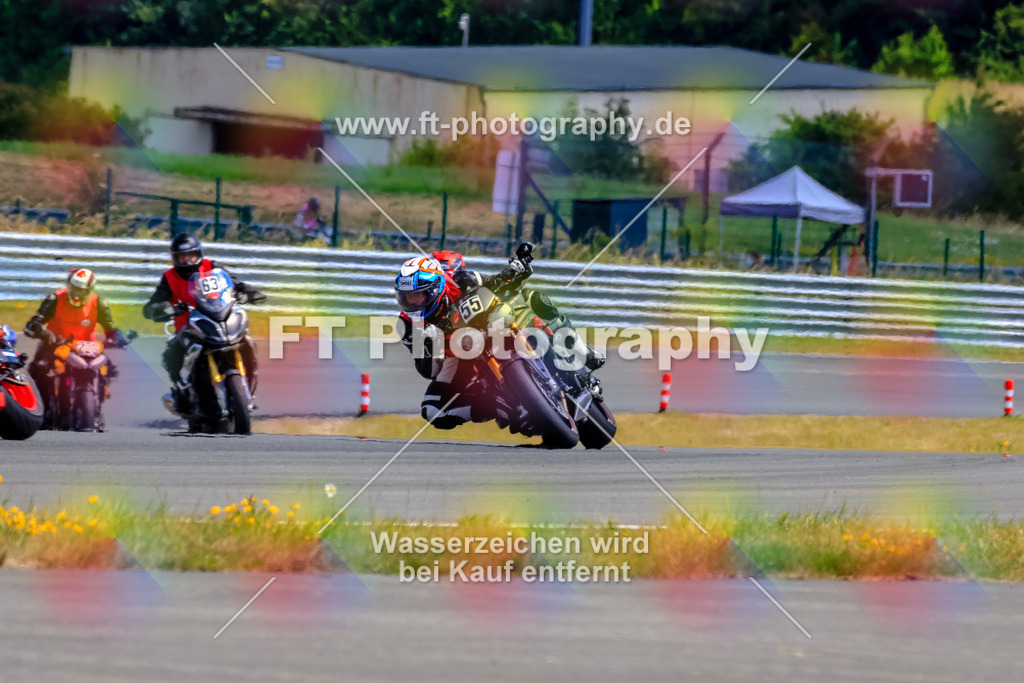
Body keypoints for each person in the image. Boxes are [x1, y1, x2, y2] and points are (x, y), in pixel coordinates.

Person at [394, 243, 603, 431]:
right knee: (431, 408)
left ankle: (581, 351)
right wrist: (431, 344)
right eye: (406, 298)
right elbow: (428, 371)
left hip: (488, 325)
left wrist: (516, 268)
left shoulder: (461, 281)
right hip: (456, 355)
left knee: (535, 299)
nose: (412, 303)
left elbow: (496, 282)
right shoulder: (407, 324)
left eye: (417, 296)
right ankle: (498, 406)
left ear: (434, 288)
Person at [142, 233, 264, 415]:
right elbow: (152, 306)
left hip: (219, 318)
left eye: (190, 255)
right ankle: (180, 391)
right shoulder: (169, 278)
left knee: (247, 342)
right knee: (171, 355)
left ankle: (248, 388)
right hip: (190, 328)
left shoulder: (211, 266)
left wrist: (247, 292)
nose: (186, 260)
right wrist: (167, 308)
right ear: (175, 258)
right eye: (181, 256)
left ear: (198, 253)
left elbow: (234, 282)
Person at [22, 268, 127, 425]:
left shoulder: (98, 303)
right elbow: (34, 323)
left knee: (109, 370)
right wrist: (45, 334)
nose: (76, 293)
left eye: (81, 290)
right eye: (73, 288)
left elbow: (110, 328)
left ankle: (97, 409)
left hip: (86, 346)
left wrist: (117, 339)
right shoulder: (55, 298)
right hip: (55, 343)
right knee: (39, 367)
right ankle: (46, 410)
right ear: (68, 285)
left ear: (89, 290)